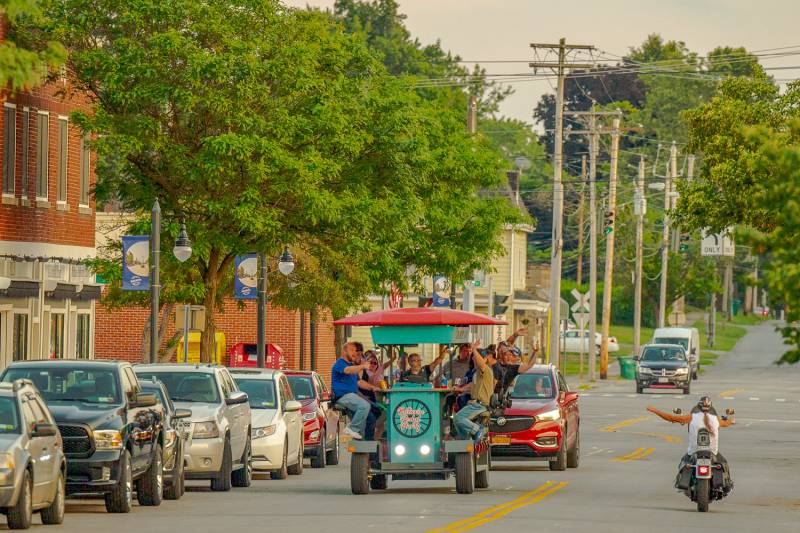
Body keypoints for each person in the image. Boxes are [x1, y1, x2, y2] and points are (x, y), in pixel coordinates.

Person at [647, 396, 735, 492]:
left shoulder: (691, 417)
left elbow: (671, 418)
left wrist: (655, 411)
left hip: (694, 451)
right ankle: (727, 486)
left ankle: (682, 483)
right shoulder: (716, 419)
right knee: (724, 464)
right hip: (712, 452)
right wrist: (731, 419)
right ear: (710, 408)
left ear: (698, 407)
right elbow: (729, 422)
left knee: (683, 463)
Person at [331, 342, 381, 440]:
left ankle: (364, 440)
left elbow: (359, 382)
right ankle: (352, 429)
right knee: (364, 406)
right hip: (342, 396)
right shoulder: (340, 363)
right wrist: (362, 366)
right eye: (352, 351)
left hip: (351, 395)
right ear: (345, 351)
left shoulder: (351, 365)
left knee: (372, 414)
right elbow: (348, 370)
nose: (354, 353)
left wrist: (373, 387)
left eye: (355, 351)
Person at [452, 339, 497, 443]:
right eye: (473, 357)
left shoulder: (485, 370)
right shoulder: (476, 373)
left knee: (458, 418)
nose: (473, 358)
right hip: (474, 404)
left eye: (475, 357)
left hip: (480, 405)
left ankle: (478, 430)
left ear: (484, 359)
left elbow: (481, 364)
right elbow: (472, 385)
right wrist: (460, 389)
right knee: (456, 421)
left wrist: (474, 349)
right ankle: (466, 440)